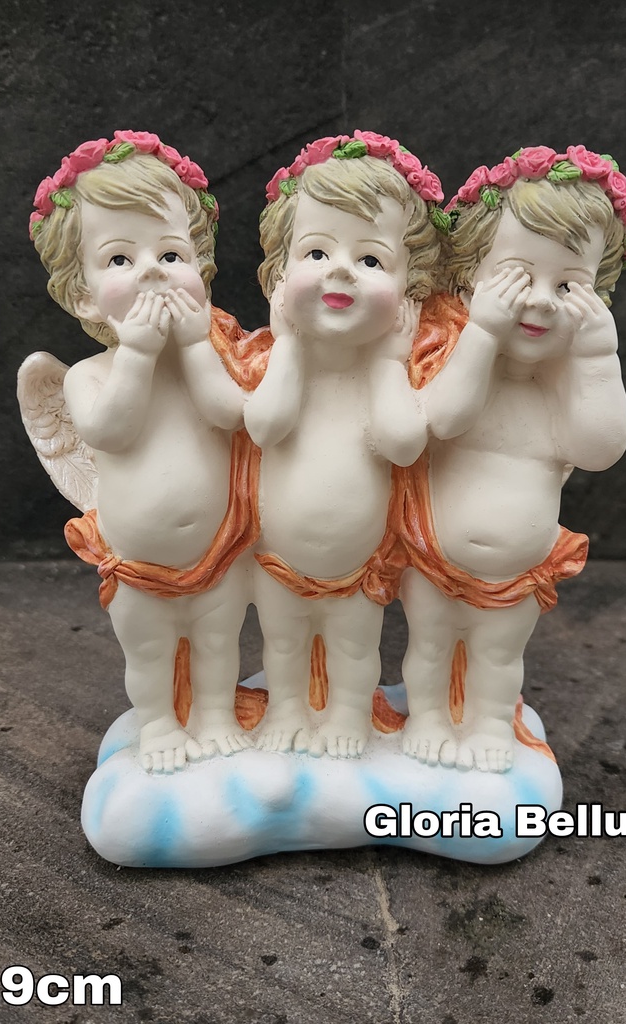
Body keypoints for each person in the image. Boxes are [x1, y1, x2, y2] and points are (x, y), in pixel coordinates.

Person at [398, 145, 626, 772]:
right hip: (431, 558)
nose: (539, 301)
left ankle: (488, 724)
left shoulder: (561, 386)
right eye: (515, 278)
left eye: (568, 286)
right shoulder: (454, 361)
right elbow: (441, 420)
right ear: (469, 277)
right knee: (429, 647)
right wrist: (482, 333)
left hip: (518, 572)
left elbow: (599, 450)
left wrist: (597, 358)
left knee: (499, 657)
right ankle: (427, 718)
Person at [29, 131, 256, 772]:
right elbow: (109, 430)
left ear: (200, 275)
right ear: (83, 294)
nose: (152, 270)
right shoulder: (89, 375)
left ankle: (215, 715)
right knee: (150, 652)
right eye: (120, 259)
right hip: (138, 562)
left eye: (170, 253)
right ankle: (158, 724)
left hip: (220, 549)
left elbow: (231, 415)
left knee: (218, 643)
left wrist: (194, 347)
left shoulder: (207, 361)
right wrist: (136, 354)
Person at [244, 130, 444, 757]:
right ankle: (287, 710)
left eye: (371, 260)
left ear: (411, 291)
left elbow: (402, 444)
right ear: (279, 274)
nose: (340, 270)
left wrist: (388, 360)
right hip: (277, 557)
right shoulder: (278, 363)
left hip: (360, 565)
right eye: (316, 251)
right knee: (282, 643)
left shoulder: (388, 373)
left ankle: (349, 717)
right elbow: (265, 426)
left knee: (356, 648)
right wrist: (288, 344)